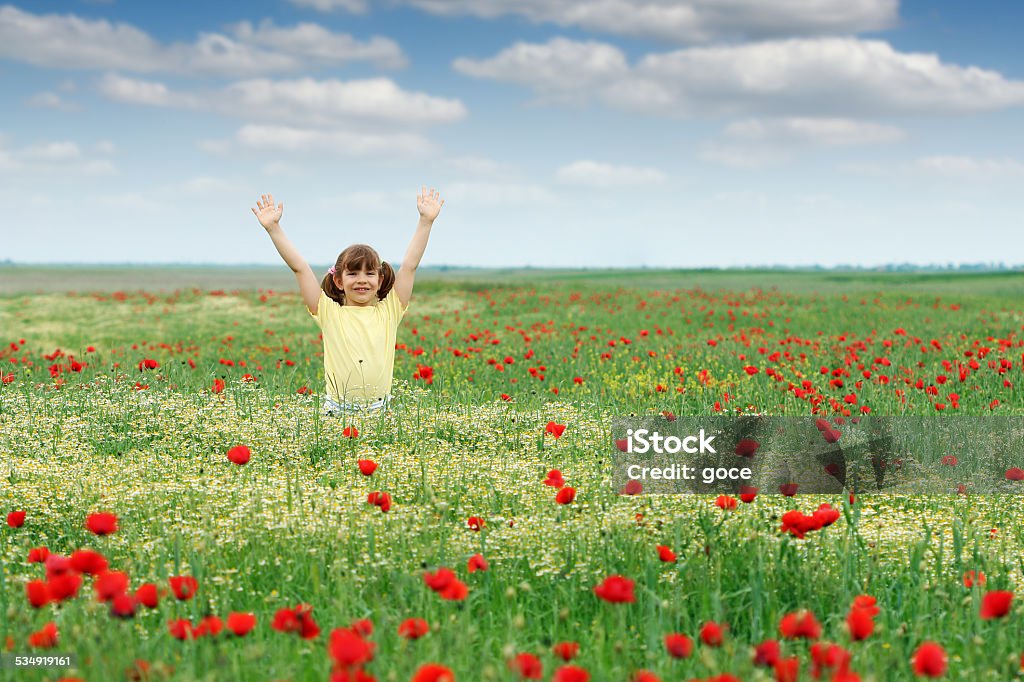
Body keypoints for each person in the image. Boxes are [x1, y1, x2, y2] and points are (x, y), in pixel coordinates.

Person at [251, 187, 444, 414]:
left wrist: (425, 222)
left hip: (380, 411)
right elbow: (300, 268)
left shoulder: (390, 310)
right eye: (353, 274)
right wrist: (274, 228)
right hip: (337, 411)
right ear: (339, 281)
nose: (362, 280)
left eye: (369, 273)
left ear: (380, 280)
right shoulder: (329, 312)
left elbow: (410, 266)